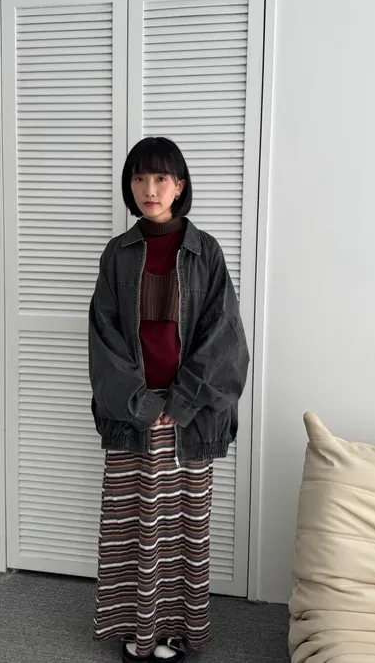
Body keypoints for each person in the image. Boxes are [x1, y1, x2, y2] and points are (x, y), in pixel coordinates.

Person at [89, 137, 250, 663]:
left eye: (160, 178)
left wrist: (178, 404)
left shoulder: (206, 252)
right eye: (139, 178)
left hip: (189, 419)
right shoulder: (117, 253)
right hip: (132, 416)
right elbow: (104, 338)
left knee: (184, 530)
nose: (149, 189)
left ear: (179, 186)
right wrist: (141, 404)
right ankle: (139, 630)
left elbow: (224, 337)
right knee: (132, 528)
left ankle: (179, 633)